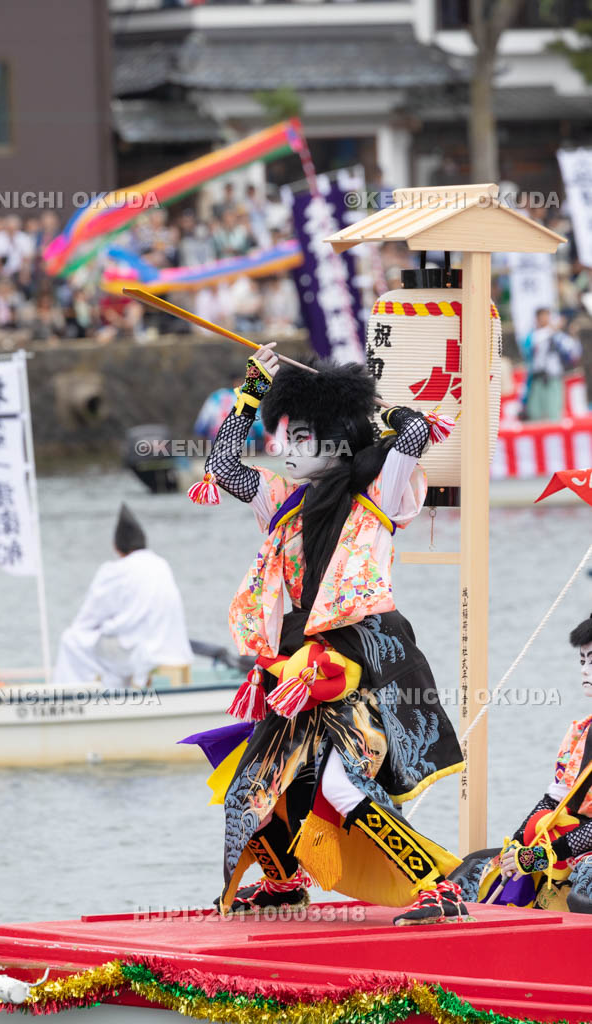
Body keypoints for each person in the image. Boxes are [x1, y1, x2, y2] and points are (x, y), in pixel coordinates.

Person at [199, 344, 467, 924]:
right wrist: (253, 387)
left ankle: (435, 886)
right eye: (284, 438)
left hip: (360, 658)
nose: (286, 451)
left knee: (345, 787)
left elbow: (416, 434)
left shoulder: (376, 491)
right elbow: (222, 467)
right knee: (254, 787)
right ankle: (283, 884)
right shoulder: (280, 498)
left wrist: (387, 416)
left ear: (338, 439)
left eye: (301, 439)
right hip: (296, 664)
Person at [456, 613, 592, 914]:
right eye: (582, 661)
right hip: (566, 840)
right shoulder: (578, 732)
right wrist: (517, 846)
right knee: (482, 868)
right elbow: (554, 799)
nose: (585, 671)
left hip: (581, 848)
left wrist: (537, 857)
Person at [53, 504, 192, 688]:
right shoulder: (161, 564)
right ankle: (117, 686)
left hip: (139, 650)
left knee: (71, 640)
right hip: (173, 647)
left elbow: (86, 619)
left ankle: (75, 698)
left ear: (116, 547)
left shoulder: (115, 570)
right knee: (110, 642)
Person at [522, 308, 581, 421]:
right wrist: (553, 328)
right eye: (542, 317)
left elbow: (574, 351)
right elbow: (533, 343)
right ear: (537, 319)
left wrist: (573, 334)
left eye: (547, 316)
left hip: (553, 379)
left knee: (554, 414)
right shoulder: (533, 335)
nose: (545, 319)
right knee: (534, 414)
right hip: (536, 380)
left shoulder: (557, 335)